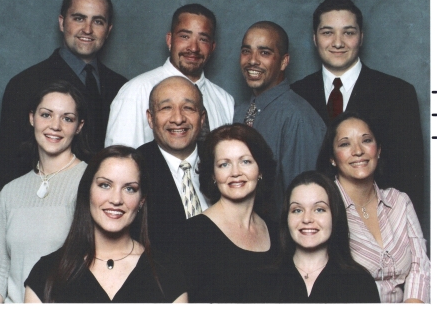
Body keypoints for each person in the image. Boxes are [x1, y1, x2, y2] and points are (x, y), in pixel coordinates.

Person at [291, 0, 424, 217]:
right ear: (315, 38)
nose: (337, 42)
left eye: (348, 32)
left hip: (378, 229)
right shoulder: (296, 93)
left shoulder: (397, 94)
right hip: (310, 228)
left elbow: (411, 179)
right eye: (327, 32)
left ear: (361, 37)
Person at [0, 0, 128, 188]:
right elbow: (10, 167)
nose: (87, 29)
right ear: (61, 22)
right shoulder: (25, 83)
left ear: (108, 30)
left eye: (98, 21)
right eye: (78, 18)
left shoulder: (123, 87)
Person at [23, 145, 188, 303]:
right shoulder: (46, 272)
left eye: (129, 188)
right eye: (105, 185)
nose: (116, 199)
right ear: (88, 191)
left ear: (141, 200)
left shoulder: (168, 273)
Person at [0, 81, 89, 303]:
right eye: (46, 115)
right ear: (32, 118)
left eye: (67, 118)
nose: (55, 125)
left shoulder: (91, 183)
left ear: (79, 126)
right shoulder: (9, 192)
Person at [316, 112, 430, 303]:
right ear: (332, 158)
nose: (358, 151)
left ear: (378, 150)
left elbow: (420, 267)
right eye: (345, 144)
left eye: (366, 140)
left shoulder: (399, 201)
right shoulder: (323, 207)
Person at [170, 123, 278, 303]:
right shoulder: (190, 235)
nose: (235, 172)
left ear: (260, 170)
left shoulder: (276, 232)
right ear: (213, 175)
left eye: (245, 161)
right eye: (224, 164)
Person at [105, 3, 234, 148]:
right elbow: (118, 162)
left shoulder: (225, 100)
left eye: (203, 39)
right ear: (169, 40)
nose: (193, 48)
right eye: (185, 36)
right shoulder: (137, 91)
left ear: (212, 47)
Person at [233, 21, 326, 220]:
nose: (252, 61)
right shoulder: (240, 111)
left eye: (264, 53)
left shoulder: (298, 117)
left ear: (284, 62)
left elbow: (302, 200)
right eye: (246, 51)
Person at [248, 170, 380, 303]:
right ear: (286, 218)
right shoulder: (262, 280)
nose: (307, 219)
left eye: (319, 209)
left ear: (334, 216)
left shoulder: (360, 282)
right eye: (297, 210)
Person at [135, 76, 210, 252]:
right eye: (166, 108)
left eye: (188, 108)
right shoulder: (135, 168)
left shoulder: (220, 161)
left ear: (202, 118)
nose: (178, 118)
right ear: (151, 118)